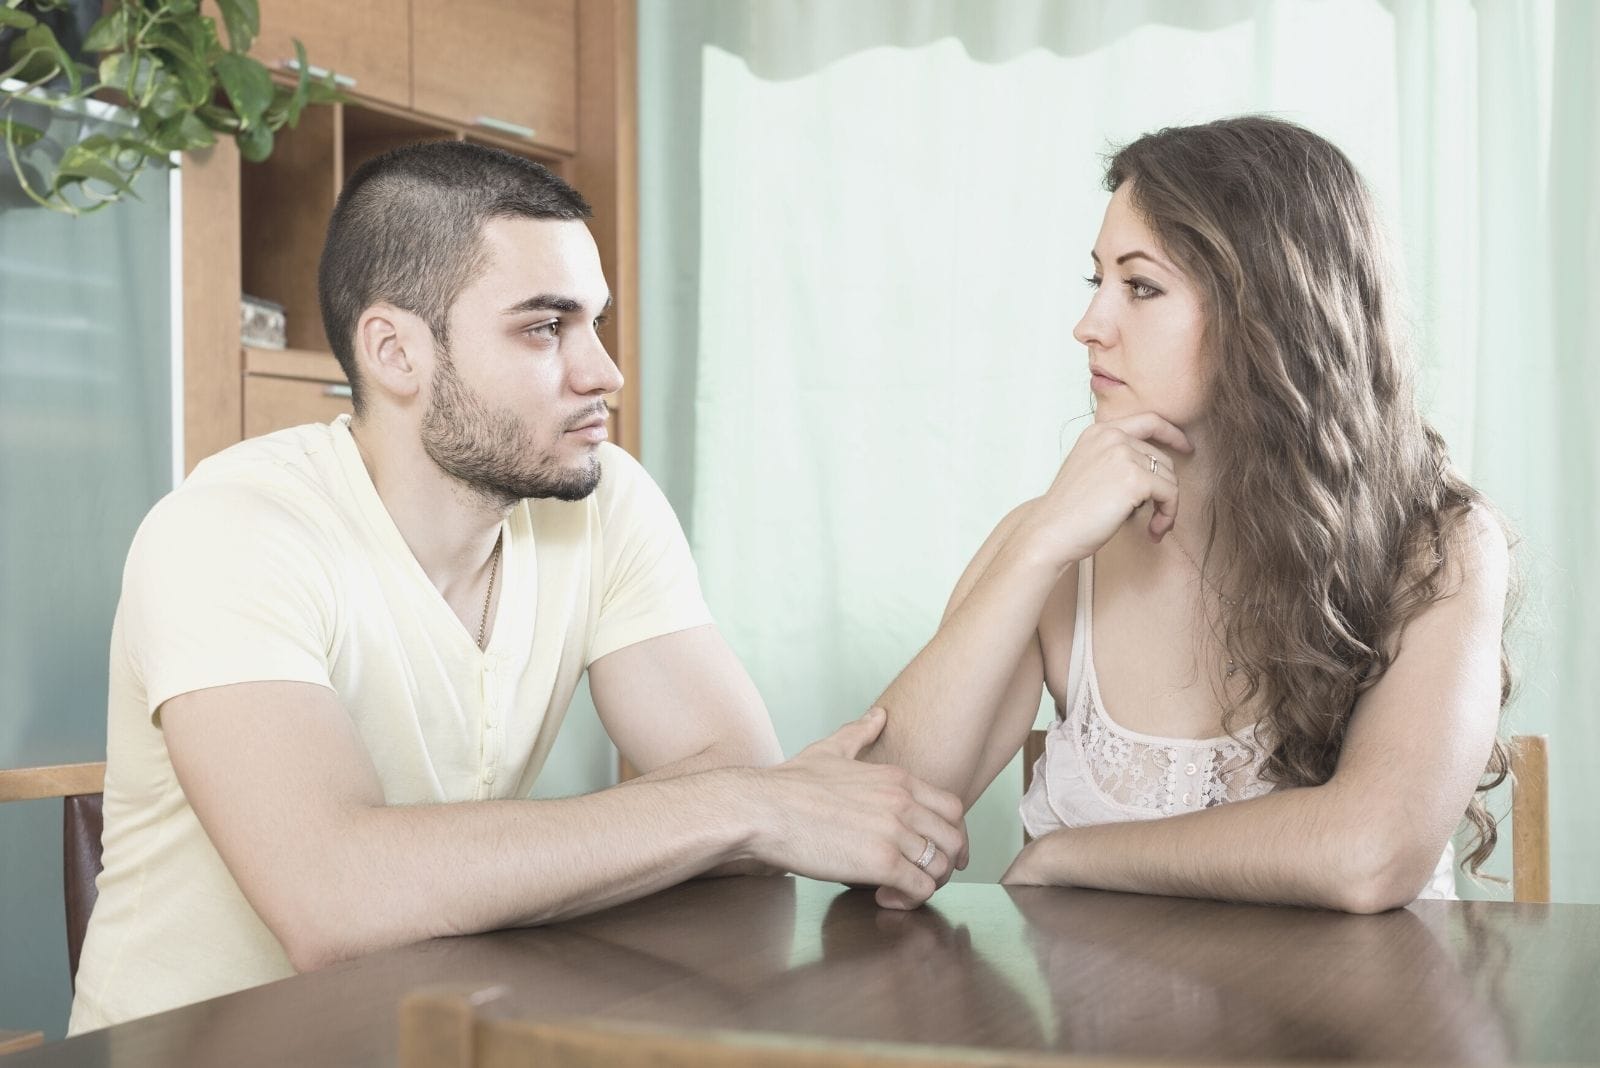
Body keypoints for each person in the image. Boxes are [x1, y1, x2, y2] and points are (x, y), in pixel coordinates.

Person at [69, 141, 966, 1032]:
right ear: (394, 351)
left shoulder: (600, 500)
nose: (603, 373)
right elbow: (336, 903)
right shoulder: (232, 531)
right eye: (545, 328)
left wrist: (743, 805)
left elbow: (738, 806)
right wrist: (744, 805)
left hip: (436, 1037)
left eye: (595, 323)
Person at [866, 116, 1512, 913]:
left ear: (1270, 313)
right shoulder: (1054, 550)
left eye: (1140, 286)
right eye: (1096, 281)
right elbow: (868, 831)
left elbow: (1368, 856)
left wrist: (1071, 855)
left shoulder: (1439, 548)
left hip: (1349, 1034)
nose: (1091, 325)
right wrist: (1036, 546)